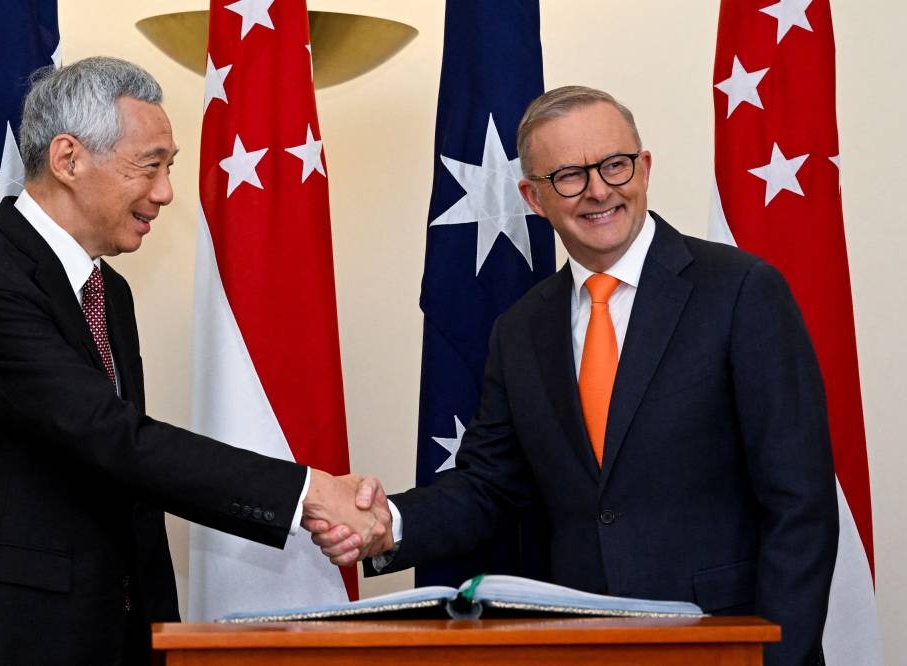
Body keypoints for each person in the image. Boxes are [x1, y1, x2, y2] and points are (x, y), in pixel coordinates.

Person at [309, 86, 838, 666]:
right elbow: (488, 486)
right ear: (533, 198)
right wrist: (390, 524)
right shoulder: (521, 329)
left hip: (722, 644)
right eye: (568, 175)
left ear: (645, 167)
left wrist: (775, 657)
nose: (599, 190)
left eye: (615, 164)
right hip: (579, 645)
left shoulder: (740, 291)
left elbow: (799, 504)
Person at [0, 56, 386, 666]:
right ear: (68, 159)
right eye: (149, 166)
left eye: (169, 168)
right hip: (4, 632)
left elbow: (120, 476)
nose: (164, 193)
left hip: (111, 628)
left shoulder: (109, 290)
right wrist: (306, 492)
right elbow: (109, 437)